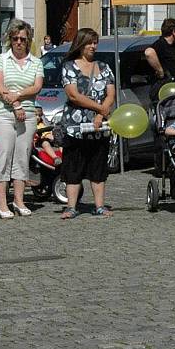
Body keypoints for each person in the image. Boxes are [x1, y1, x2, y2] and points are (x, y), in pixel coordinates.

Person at [59, 28, 116, 219]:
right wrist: (100, 109)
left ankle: (99, 206)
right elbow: (73, 95)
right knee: (73, 166)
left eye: (95, 42)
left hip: (99, 128)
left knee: (98, 167)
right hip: (75, 127)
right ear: (81, 44)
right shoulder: (69, 66)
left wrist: (101, 114)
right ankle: (71, 206)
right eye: (90, 42)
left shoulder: (104, 67)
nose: (93, 46)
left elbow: (110, 94)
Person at [0, 20, 43, 219]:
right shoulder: (1, 59)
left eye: (23, 39)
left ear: (28, 40)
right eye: (15, 39)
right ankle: (2, 203)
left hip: (28, 116)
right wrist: (16, 104)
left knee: (22, 157)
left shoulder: (36, 62)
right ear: (10, 40)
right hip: (3, 114)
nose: (19, 42)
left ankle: (19, 200)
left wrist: (17, 96)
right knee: (3, 156)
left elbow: (36, 87)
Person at [144, 18, 175, 100]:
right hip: (165, 90)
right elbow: (148, 52)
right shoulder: (160, 44)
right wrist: (160, 71)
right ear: (174, 32)